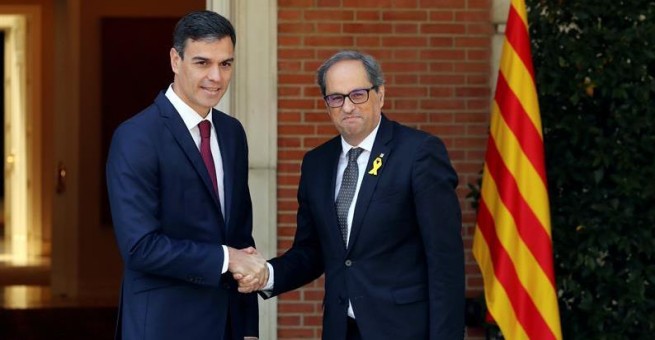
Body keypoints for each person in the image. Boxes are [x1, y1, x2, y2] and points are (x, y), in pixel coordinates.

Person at [239, 50, 465, 339]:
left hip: (405, 329)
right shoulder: (316, 164)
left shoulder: (418, 154)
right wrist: (266, 274)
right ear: (327, 104)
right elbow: (311, 251)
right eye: (336, 98)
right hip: (341, 330)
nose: (347, 107)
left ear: (380, 94)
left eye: (358, 94)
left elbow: (444, 260)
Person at [106, 10, 268, 340]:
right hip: (163, 326)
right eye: (202, 63)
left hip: (226, 327)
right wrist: (226, 258)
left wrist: (247, 328)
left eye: (226, 64)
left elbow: (240, 238)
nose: (216, 77)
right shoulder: (136, 136)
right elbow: (140, 247)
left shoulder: (232, 133)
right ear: (175, 60)